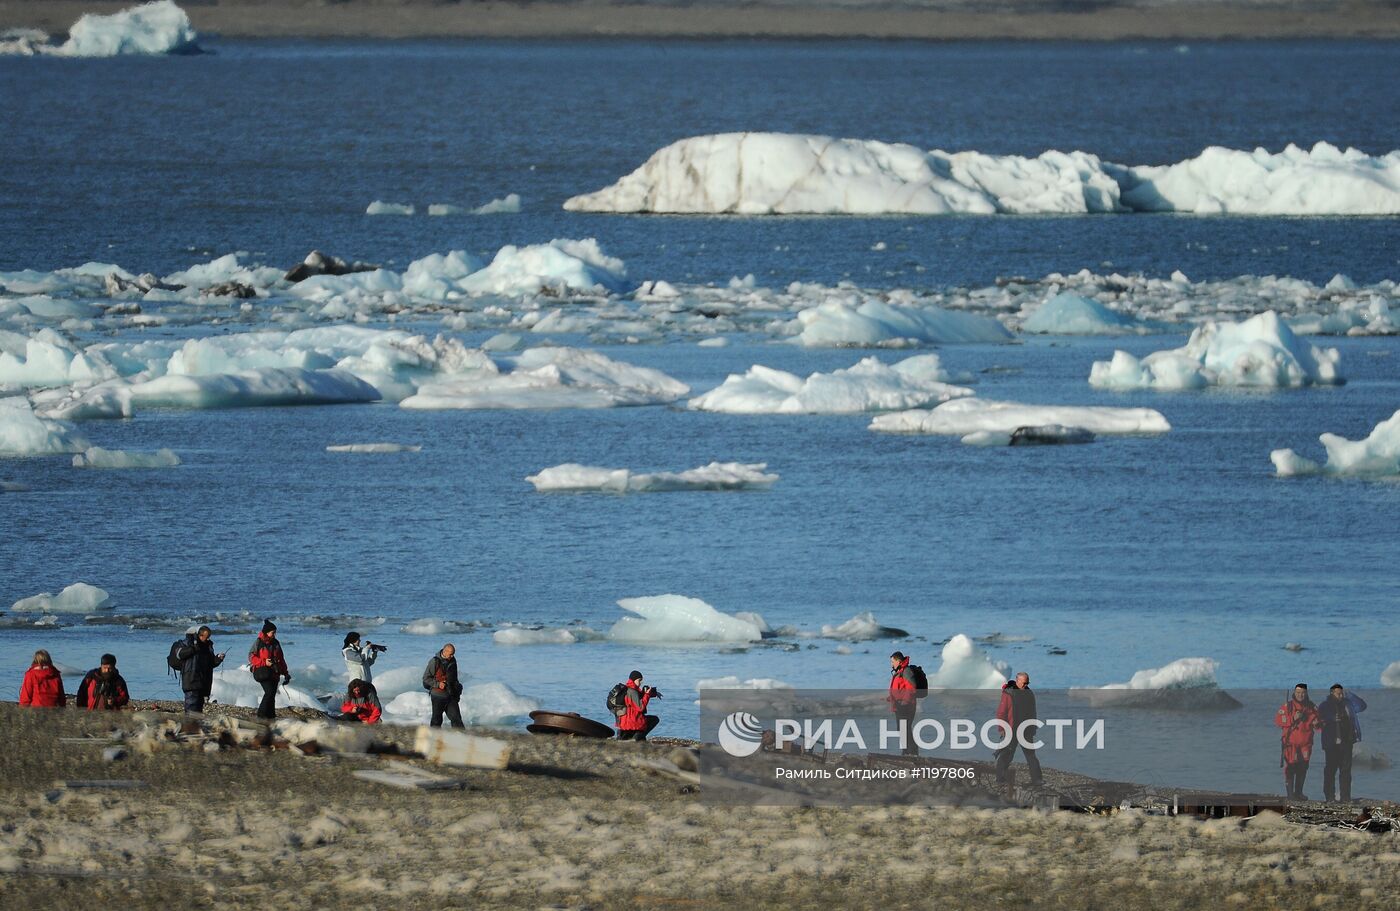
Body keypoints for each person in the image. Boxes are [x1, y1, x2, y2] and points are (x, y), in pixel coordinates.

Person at [1316, 683, 1367, 803]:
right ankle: (1330, 797)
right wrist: (1332, 718)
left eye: (1342, 693)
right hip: (1332, 742)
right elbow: (1319, 717)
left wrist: (1350, 694)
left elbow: (1362, 706)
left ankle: (1345, 797)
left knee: (1346, 771)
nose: (1340, 695)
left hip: (1347, 741)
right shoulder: (1325, 705)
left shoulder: (1348, 703)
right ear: (1332, 693)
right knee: (1330, 770)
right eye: (1338, 693)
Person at [994, 671, 1043, 789]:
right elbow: (1001, 712)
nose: (1026, 685)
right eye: (1024, 683)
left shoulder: (1029, 693)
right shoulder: (1008, 693)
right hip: (1011, 729)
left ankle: (1037, 780)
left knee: (1031, 755)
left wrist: (1033, 727)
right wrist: (1001, 728)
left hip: (1026, 729)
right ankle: (1000, 779)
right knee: (1006, 754)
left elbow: (1033, 712)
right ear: (1017, 681)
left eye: (1027, 683)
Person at [1275, 683, 1321, 800]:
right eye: (1298, 692)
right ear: (1294, 693)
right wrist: (1293, 718)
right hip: (1290, 744)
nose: (1300, 695)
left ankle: (1299, 793)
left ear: (1306, 693)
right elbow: (1278, 721)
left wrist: (1317, 723)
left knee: (1303, 768)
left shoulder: (1312, 707)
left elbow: (1320, 725)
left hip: (1306, 744)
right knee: (1291, 768)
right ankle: (1290, 795)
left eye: (1303, 693)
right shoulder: (1288, 706)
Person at [248, 619, 290, 721]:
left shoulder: (276, 643)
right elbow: (251, 657)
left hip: (274, 673)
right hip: (262, 672)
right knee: (269, 693)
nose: (275, 634)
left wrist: (286, 673)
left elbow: (281, 659)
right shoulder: (258, 642)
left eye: (275, 632)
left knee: (272, 696)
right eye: (273, 632)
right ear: (266, 632)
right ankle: (260, 716)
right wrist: (264, 662)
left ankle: (271, 717)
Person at [176, 625, 225, 714]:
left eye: (209, 637)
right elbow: (179, 654)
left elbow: (211, 664)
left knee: (198, 710)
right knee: (191, 708)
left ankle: (195, 722)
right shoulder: (188, 643)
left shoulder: (208, 646)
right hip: (191, 681)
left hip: (203, 683)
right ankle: (189, 722)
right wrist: (193, 649)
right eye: (206, 637)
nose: (208, 639)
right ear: (200, 635)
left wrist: (218, 659)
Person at [422, 643, 464, 729]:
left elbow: (455, 678)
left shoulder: (453, 660)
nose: (452, 656)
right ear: (444, 652)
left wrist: (458, 692)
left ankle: (460, 736)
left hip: (451, 695)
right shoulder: (434, 661)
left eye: (453, 654)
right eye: (450, 654)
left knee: (457, 719)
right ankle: (434, 736)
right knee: (436, 720)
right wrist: (438, 684)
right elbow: (426, 678)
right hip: (438, 696)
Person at [887, 651, 919, 756]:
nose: (891, 664)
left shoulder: (906, 671)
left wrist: (905, 702)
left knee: (904, 728)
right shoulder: (899, 671)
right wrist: (890, 698)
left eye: (892, 662)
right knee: (902, 729)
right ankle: (907, 751)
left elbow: (911, 688)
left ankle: (912, 751)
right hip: (899, 705)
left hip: (906, 706)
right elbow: (900, 689)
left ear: (898, 661)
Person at [616, 670, 661, 741]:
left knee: (642, 721)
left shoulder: (626, 689)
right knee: (654, 719)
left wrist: (654, 693)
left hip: (623, 722)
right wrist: (647, 695)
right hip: (632, 721)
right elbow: (641, 707)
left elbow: (640, 695)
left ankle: (625, 735)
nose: (640, 683)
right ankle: (636, 738)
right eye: (639, 680)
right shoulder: (633, 691)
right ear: (633, 680)